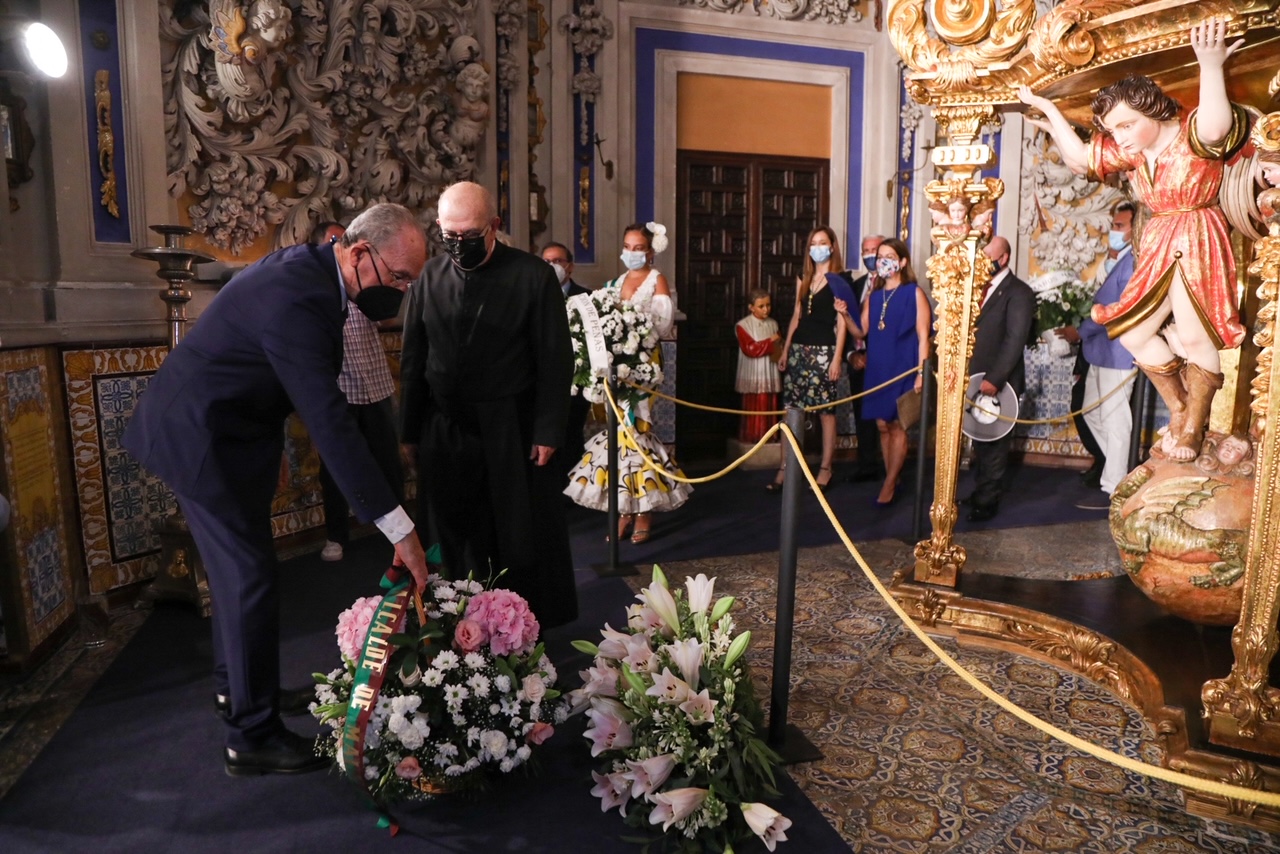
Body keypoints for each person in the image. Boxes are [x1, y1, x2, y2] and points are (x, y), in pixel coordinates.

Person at [123, 202, 432, 776]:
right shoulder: (300, 295)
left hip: (229, 437)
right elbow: (331, 423)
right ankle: (250, 735)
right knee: (249, 581)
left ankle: (241, 691)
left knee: (243, 576)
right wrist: (399, 527)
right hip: (202, 441)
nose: (402, 292)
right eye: (399, 278)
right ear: (361, 253)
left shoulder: (317, 273)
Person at [1018, 18, 1249, 462]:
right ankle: (1180, 405)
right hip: (1160, 238)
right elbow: (1081, 157)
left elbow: (1219, 126)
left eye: (1125, 125)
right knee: (1133, 333)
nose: (1119, 136)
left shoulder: (1191, 134)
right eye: (1114, 129)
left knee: (1198, 334)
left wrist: (1210, 65)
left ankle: (1194, 428)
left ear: (1154, 112)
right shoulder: (1136, 153)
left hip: (1197, 233)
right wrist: (1048, 111)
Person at [400, 181, 578, 627]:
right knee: (451, 535)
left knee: (515, 534)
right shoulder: (429, 277)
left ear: (494, 226)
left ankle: (518, 631)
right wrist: (408, 431)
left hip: (511, 428)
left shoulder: (533, 275)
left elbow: (555, 358)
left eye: (469, 235)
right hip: (445, 428)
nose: (459, 245)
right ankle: (452, 627)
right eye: (450, 235)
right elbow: (413, 358)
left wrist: (548, 429)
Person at [564, 222, 692, 543]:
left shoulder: (656, 280)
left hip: (644, 365)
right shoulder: (616, 281)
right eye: (627, 247)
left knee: (637, 432)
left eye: (638, 248)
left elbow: (661, 326)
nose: (631, 253)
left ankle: (643, 512)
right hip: (616, 367)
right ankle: (624, 510)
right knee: (618, 436)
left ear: (650, 251)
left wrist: (633, 328)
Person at [308, 221, 405, 562]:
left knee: (389, 465)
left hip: (375, 386)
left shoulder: (362, 283)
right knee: (334, 470)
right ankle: (336, 536)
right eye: (334, 240)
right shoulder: (319, 292)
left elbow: (388, 319)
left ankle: (399, 535)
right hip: (342, 392)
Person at [1054, 202, 1138, 508]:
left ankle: (1115, 488)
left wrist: (1081, 330)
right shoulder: (1119, 261)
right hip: (1100, 351)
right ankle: (1120, 472)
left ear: (1135, 229)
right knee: (1090, 410)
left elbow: (1116, 310)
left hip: (1118, 352)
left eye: (1119, 226)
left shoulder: (1133, 263)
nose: (1113, 231)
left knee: (1116, 420)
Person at [836, 237, 931, 506]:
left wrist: (921, 373)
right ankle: (894, 476)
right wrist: (845, 314)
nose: (883, 261)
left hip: (903, 366)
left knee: (898, 425)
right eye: (880, 257)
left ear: (902, 262)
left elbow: (924, 336)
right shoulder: (874, 296)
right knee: (882, 425)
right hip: (878, 367)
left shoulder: (914, 293)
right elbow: (860, 331)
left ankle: (889, 483)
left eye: (889, 256)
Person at [770, 226, 849, 493]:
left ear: (832, 246)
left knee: (827, 412)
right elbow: (796, 314)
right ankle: (786, 466)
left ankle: (826, 467)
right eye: (813, 243)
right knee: (792, 410)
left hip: (824, 350)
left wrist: (837, 358)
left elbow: (842, 323)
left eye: (822, 242)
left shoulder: (840, 279)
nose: (817, 247)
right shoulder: (803, 277)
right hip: (799, 350)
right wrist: (786, 349)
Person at [965, 235, 1036, 522]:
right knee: (980, 438)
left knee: (994, 442)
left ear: (1003, 258)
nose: (983, 263)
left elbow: (1014, 339)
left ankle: (987, 500)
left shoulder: (1019, 292)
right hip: (974, 378)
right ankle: (981, 489)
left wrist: (995, 378)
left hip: (998, 383)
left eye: (987, 258)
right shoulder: (977, 288)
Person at [543, 240, 592, 481]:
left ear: (570, 266)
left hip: (576, 379)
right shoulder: (534, 295)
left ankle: (574, 487)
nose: (552, 266)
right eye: (547, 261)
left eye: (558, 261)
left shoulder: (586, 297)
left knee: (571, 433)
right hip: (543, 380)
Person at [845, 235, 887, 483]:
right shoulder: (856, 284)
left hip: (882, 362)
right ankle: (866, 465)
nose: (869, 255)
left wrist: (874, 354)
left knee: (884, 417)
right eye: (865, 250)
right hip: (857, 361)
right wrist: (851, 355)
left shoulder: (893, 284)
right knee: (861, 414)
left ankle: (891, 471)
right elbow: (845, 324)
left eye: (875, 250)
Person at [734, 289, 782, 444]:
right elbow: (750, 349)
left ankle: (770, 435)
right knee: (754, 404)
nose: (766, 309)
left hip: (769, 369)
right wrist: (770, 342)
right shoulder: (743, 325)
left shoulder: (773, 324)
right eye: (761, 306)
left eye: (768, 305)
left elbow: (778, 349)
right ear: (751, 307)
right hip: (753, 370)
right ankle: (753, 436)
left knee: (770, 402)